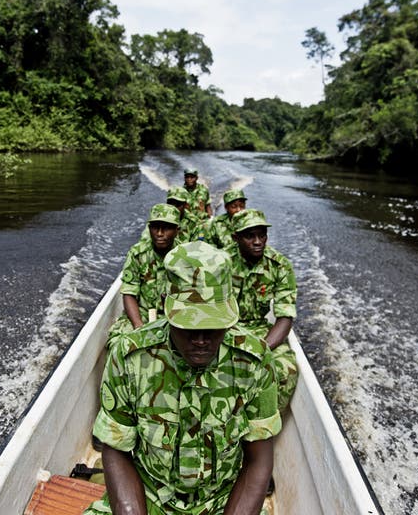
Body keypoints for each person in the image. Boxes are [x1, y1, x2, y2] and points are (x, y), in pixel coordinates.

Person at [84, 241, 280, 515]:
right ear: (167, 308)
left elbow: (258, 459)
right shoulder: (130, 357)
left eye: (213, 326)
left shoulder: (255, 362)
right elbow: (116, 448)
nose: (201, 340)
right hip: (148, 494)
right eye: (189, 326)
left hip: (223, 500)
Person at [227, 209, 299, 412]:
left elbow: (285, 316)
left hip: (259, 330)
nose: (258, 241)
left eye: (262, 235)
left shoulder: (280, 265)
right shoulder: (221, 263)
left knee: (287, 371)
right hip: (223, 328)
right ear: (236, 238)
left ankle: (264, 423)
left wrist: (262, 349)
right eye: (250, 236)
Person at [108, 203, 181, 347]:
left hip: (175, 317)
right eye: (155, 227)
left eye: (166, 228)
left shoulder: (185, 257)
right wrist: (139, 327)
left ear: (177, 230)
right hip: (142, 314)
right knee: (119, 344)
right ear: (149, 228)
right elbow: (129, 293)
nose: (160, 233)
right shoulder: (138, 254)